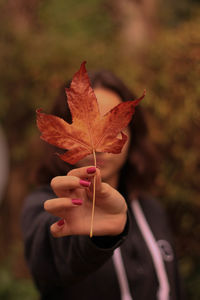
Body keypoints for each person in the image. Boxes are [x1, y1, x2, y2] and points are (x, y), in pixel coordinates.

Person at [21, 69, 185, 300]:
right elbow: (50, 262)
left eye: (112, 127)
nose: (96, 148)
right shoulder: (45, 204)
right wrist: (98, 238)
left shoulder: (152, 210)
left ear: (132, 133)